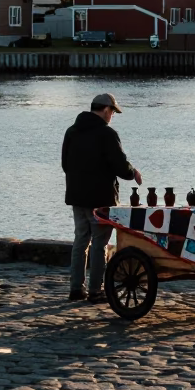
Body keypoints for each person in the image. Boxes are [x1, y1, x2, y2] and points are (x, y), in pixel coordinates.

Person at [61, 91, 143, 303]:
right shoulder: (107, 134)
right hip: (100, 199)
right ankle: (96, 290)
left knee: (80, 241)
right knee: (100, 243)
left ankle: (76, 288)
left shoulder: (71, 131)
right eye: (113, 112)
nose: (112, 116)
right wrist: (132, 172)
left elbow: (64, 165)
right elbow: (120, 164)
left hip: (77, 196)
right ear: (106, 110)